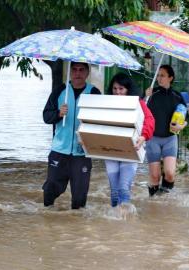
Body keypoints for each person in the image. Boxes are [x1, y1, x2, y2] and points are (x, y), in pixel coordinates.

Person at [42, 62, 101, 209]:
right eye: (74, 70)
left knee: (80, 198)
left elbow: (101, 122)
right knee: (50, 190)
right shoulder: (60, 90)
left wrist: (91, 139)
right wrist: (58, 114)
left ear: (87, 73)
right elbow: (46, 116)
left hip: (82, 152)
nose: (78, 73)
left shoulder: (94, 93)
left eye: (81, 70)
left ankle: (77, 229)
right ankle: (48, 221)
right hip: (59, 150)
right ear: (70, 72)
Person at [105, 73, 154, 209]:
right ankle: (115, 220)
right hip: (110, 151)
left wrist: (143, 136)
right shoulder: (106, 103)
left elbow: (150, 120)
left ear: (128, 89)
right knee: (114, 191)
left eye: (121, 89)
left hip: (131, 150)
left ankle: (125, 221)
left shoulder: (139, 103)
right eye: (115, 89)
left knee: (123, 188)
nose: (117, 92)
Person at [145, 65, 188, 196]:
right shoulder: (151, 94)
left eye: (162, 75)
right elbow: (140, 113)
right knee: (155, 176)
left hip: (170, 138)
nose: (159, 78)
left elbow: (187, 118)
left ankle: (164, 199)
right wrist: (144, 97)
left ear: (171, 78)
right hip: (153, 138)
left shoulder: (177, 96)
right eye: (158, 75)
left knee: (170, 174)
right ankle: (154, 201)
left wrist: (182, 126)